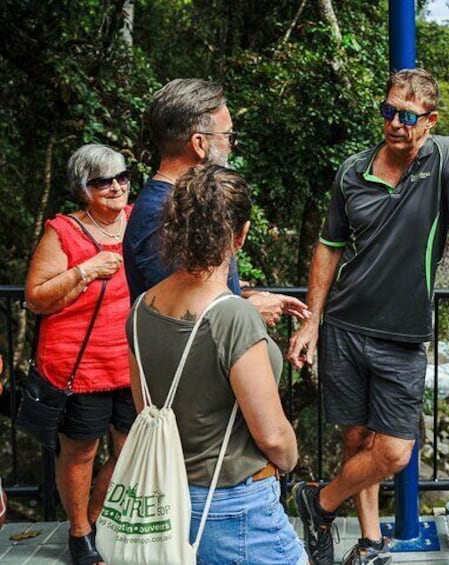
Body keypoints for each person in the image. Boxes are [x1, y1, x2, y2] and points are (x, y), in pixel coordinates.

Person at [287, 68, 449, 565]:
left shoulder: (447, 158)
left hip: (403, 335)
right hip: (345, 327)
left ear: (430, 120)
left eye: (407, 116)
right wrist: (312, 320)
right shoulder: (352, 170)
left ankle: (318, 501)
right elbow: (328, 248)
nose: (395, 123)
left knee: (392, 453)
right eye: (388, 111)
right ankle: (369, 542)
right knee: (355, 439)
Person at [127, 165, 308, 564]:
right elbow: (273, 435)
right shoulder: (232, 316)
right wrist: (290, 459)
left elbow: (146, 411)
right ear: (239, 235)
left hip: (169, 500)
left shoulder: (141, 308)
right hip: (234, 506)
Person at [25, 144, 135, 565]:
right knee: (81, 451)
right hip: (79, 362)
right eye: (102, 181)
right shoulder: (64, 231)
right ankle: (79, 534)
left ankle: (95, 515)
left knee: (131, 449)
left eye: (121, 177)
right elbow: (36, 298)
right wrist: (86, 270)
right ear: (83, 188)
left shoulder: (137, 219)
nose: (115, 187)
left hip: (132, 359)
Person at [123, 78, 306, 325]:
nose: (233, 144)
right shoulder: (162, 213)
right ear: (200, 143)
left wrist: (241, 295)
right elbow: (180, 317)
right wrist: (249, 310)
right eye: (229, 135)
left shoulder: (184, 203)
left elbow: (198, 290)